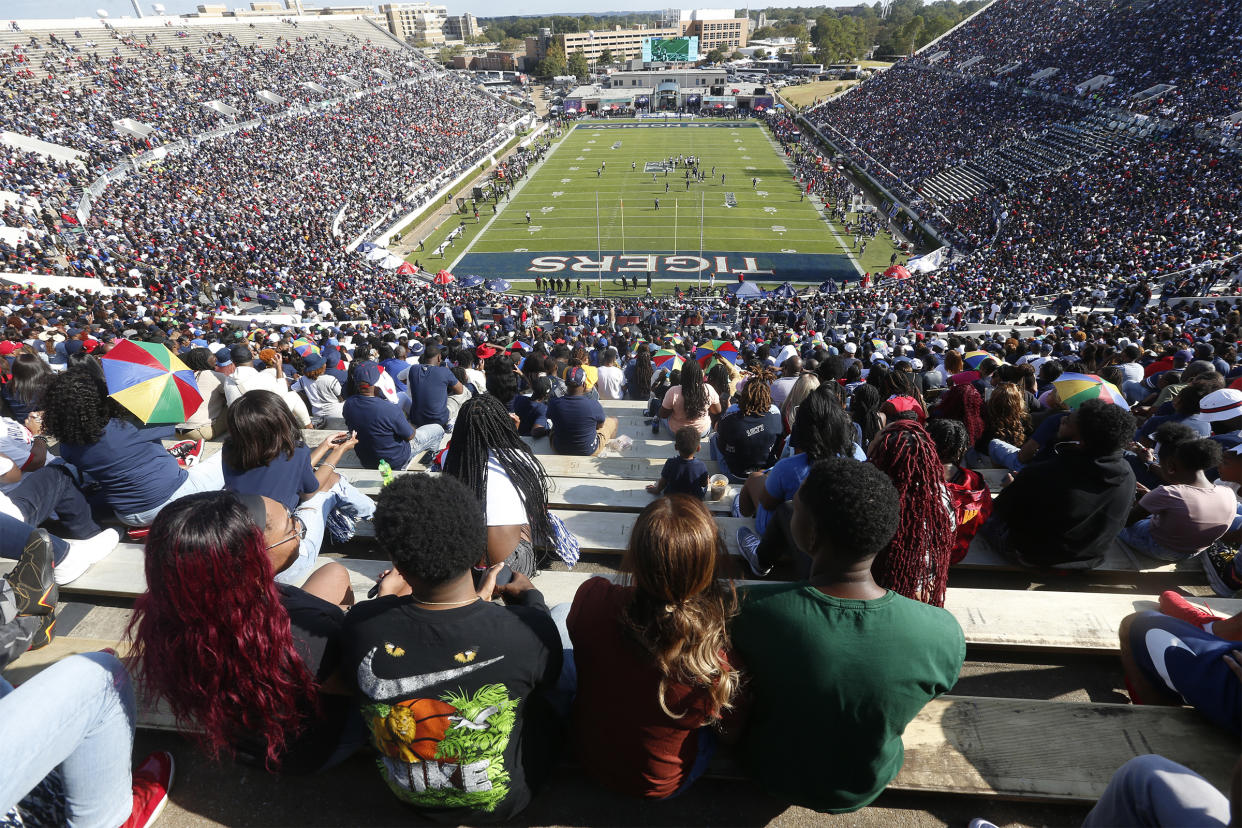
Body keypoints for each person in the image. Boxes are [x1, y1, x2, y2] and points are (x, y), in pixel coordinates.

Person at [730, 458, 965, 813]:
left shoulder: (749, 609)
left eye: (797, 509)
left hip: (770, 771)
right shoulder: (942, 632)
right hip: (865, 782)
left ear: (810, 535)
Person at [340, 474, 562, 822]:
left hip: (406, 797)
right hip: (506, 804)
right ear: (478, 549)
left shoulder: (359, 624)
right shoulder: (527, 629)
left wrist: (384, 599)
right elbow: (549, 680)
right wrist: (531, 600)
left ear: (397, 561)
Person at [127, 491, 362, 775]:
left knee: (334, 573)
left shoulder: (177, 610)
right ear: (252, 558)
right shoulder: (302, 636)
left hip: (242, 737)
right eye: (291, 525)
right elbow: (360, 687)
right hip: (299, 751)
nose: (299, 528)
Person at [567, 495, 738, 799]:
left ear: (635, 557)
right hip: (662, 783)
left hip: (590, 756)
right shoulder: (712, 658)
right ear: (706, 564)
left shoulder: (591, 597)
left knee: (558, 618)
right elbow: (733, 731)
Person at [41, 368, 226, 527]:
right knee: (228, 453)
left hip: (128, 515)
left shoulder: (67, 447)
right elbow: (175, 421)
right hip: (175, 498)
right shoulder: (127, 426)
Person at [980, 399, 1136, 568]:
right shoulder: (1127, 474)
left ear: (1081, 441)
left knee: (982, 510)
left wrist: (1012, 488)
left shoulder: (1043, 472)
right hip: (1091, 558)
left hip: (1031, 557)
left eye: (1067, 421)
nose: (1062, 419)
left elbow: (1004, 512)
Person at [736, 389, 864, 577]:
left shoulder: (789, 468)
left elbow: (767, 502)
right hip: (838, 536)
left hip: (789, 538)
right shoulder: (858, 454)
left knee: (754, 479)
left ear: (803, 428)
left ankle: (749, 535)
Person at [442, 394, 555, 578]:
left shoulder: (452, 459)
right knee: (529, 512)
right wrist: (513, 433)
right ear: (503, 424)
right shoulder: (523, 458)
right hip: (509, 572)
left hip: (465, 569)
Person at [867, 420, 956, 607]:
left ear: (882, 456)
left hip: (875, 589)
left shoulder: (869, 498)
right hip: (923, 590)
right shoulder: (942, 498)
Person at [1119, 422, 1236, 562]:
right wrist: (1151, 497)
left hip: (1160, 549)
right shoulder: (1227, 493)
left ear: (1170, 467)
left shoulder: (1168, 493)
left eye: (1160, 463)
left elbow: (1124, 522)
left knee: (1113, 519)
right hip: (1195, 551)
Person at [927, 418, 993, 564]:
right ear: (961, 450)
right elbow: (984, 514)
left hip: (920, 555)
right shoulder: (976, 482)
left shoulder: (915, 479)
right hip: (957, 552)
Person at [343, 363, 421, 470]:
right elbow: (410, 435)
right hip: (395, 460)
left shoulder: (348, 404)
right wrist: (407, 423)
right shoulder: (390, 408)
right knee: (436, 429)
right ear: (376, 384)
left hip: (366, 461)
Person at [711, 375, 780, 483]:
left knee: (713, 437)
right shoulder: (776, 412)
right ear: (767, 395)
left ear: (743, 396)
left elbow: (721, 445)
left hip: (734, 474)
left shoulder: (730, 417)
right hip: (766, 472)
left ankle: (713, 466)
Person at [546, 366, 616, 456]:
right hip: (588, 450)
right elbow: (599, 426)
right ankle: (609, 448)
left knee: (554, 426)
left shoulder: (554, 403)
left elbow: (549, 416)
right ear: (584, 384)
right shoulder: (594, 405)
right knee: (614, 421)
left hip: (559, 448)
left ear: (566, 383)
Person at [404, 344, 465, 435]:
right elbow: (460, 390)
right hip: (439, 420)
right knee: (464, 393)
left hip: (416, 419)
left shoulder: (413, 369)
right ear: (439, 358)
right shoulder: (444, 371)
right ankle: (451, 421)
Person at [658, 360, 720, 438]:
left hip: (677, 433)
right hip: (701, 432)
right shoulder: (708, 389)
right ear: (699, 374)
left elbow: (663, 415)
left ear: (683, 374)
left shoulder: (673, 391)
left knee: (660, 417)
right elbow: (717, 411)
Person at [177, 347, 229, 440]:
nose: (215, 358)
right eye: (212, 356)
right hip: (199, 432)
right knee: (231, 406)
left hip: (178, 431)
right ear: (206, 360)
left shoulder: (183, 376)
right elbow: (230, 396)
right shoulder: (216, 376)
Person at [647, 427, 710, 498]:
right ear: (698, 448)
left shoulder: (670, 463)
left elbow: (663, 482)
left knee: (665, 481)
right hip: (694, 499)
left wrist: (656, 490)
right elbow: (704, 484)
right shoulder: (701, 466)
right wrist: (707, 480)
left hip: (672, 497)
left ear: (676, 447)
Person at [293, 352, 345, 430]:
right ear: (321, 367)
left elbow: (293, 389)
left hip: (317, 414)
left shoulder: (303, 380)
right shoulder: (330, 379)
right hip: (336, 413)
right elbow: (340, 396)